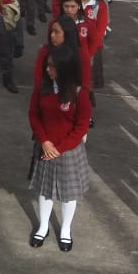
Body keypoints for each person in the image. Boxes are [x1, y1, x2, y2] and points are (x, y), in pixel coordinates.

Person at [28, 45, 92, 252]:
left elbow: (81, 126)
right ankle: (43, 225)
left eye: (53, 67)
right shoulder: (41, 87)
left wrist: (60, 148)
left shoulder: (80, 94)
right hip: (46, 146)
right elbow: (34, 115)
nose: (48, 70)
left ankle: (65, 229)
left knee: (68, 193)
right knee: (45, 190)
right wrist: (44, 141)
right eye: (48, 66)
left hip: (68, 151)